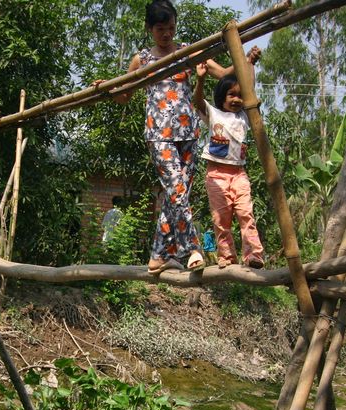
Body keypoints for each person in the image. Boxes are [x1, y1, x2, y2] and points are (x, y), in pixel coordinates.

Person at [95, 0, 259, 274]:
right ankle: (191, 248)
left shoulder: (189, 52)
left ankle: (158, 256)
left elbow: (225, 75)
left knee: (176, 196)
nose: (166, 34)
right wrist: (105, 90)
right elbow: (124, 96)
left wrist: (246, 61)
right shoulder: (143, 60)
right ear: (150, 28)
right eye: (160, 29)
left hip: (189, 134)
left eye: (170, 28)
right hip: (159, 135)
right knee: (177, 192)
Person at [193, 58, 265, 269]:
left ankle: (253, 255)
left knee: (246, 214)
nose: (237, 99)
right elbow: (197, 101)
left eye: (240, 96)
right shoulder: (214, 114)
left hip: (239, 174)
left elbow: (249, 88)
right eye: (231, 94)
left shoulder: (244, 116)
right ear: (221, 96)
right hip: (216, 175)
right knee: (220, 219)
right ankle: (227, 256)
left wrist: (251, 64)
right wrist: (200, 80)